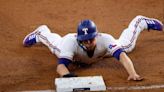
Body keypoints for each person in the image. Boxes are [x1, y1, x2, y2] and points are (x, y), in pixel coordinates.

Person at [23, 15, 163, 81]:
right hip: (74, 53)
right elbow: (60, 67)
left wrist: (132, 73)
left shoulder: (105, 39)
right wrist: (66, 76)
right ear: (80, 39)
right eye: (85, 40)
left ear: (96, 36)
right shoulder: (70, 43)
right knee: (54, 46)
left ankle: (140, 22)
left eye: (91, 39)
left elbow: (122, 56)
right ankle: (41, 32)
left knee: (127, 46)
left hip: (100, 53)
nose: (88, 42)